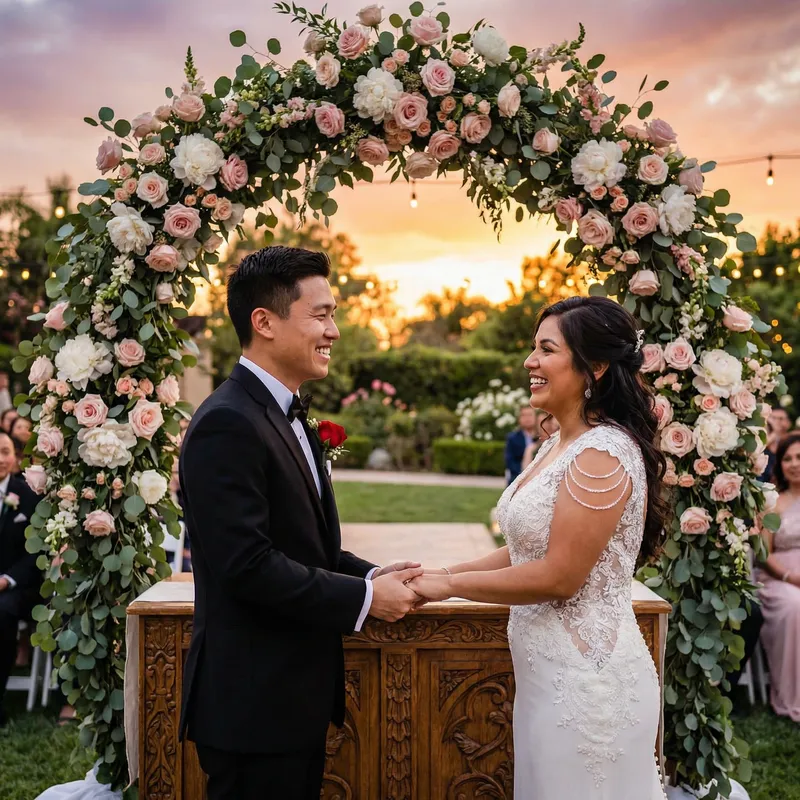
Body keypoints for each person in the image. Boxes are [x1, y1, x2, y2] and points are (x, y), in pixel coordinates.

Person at [179, 246, 424, 800]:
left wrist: (373, 576)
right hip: (252, 704)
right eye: (321, 315)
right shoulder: (226, 422)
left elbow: (306, 545)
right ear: (264, 322)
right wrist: (364, 602)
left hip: (289, 701)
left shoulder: (283, 411)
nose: (334, 330)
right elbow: (248, 565)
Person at [410, 296, 668, 799]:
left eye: (546, 349)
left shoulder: (602, 454)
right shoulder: (559, 444)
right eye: (533, 348)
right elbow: (526, 549)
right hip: (548, 679)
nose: (529, 361)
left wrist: (450, 586)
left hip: (588, 688)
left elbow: (557, 576)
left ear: (593, 366)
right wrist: (438, 573)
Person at [756, 431, 800, 721]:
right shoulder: (772, 502)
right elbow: (764, 553)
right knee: (794, 606)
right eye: (787, 458)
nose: (794, 463)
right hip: (778, 579)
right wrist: (789, 577)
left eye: (799, 457)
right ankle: (791, 696)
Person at [0, 431, 39, 728]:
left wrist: (7, 580)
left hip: (16, 587)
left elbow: (35, 551)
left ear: (14, 457)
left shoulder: (26, 494)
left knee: (2, 612)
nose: (0, 459)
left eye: (5, 451)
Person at [504, 406, 541, 485]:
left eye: (530, 415)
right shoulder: (512, 438)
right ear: (519, 419)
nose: (527, 418)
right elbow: (510, 461)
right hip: (518, 477)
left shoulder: (542, 436)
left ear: (536, 417)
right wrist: (524, 475)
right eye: (524, 415)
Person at [762, 406, 793, 481]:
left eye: (781, 419)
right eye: (773, 418)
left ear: (788, 423)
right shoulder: (763, 442)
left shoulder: (792, 442)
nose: (777, 421)